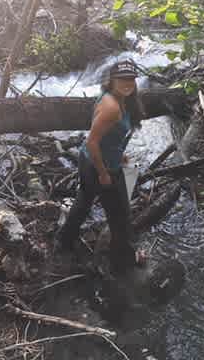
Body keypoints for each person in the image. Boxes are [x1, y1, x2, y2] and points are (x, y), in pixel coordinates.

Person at [57, 59, 145, 275]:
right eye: (122, 79)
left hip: (92, 162)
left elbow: (106, 137)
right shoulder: (111, 107)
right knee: (120, 215)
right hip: (100, 167)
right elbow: (92, 142)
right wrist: (104, 173)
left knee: (84, 203)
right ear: (112, 80)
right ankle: (122, 262)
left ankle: (63, 242)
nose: (127, 83)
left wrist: (119, 153)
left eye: (131, 79)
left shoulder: (117, 99)